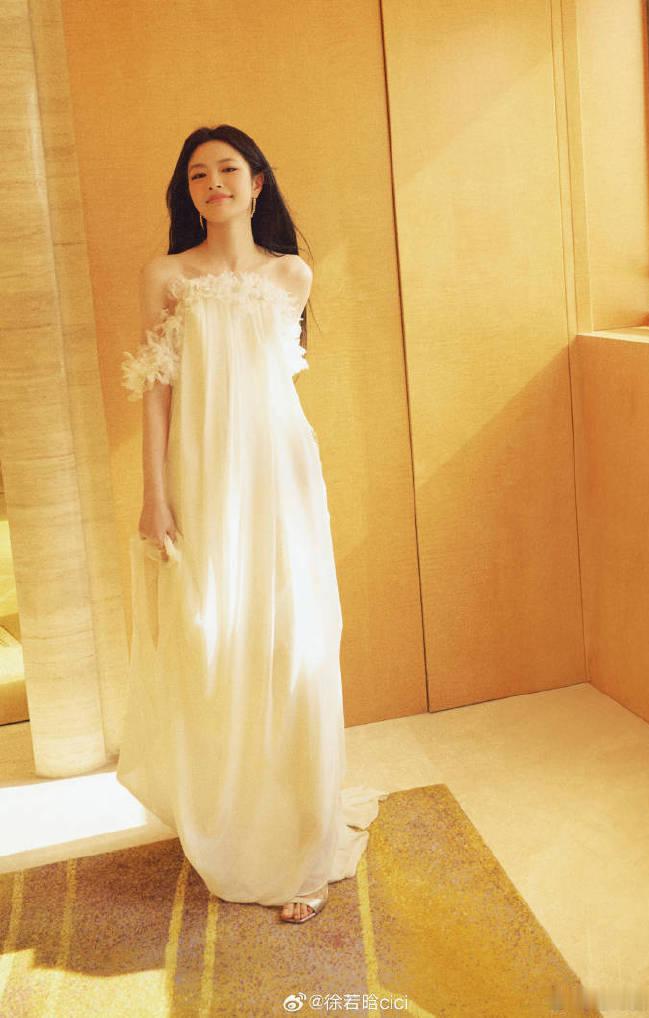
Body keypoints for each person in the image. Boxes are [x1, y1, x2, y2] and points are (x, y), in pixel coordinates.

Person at [116, 124, 387, 925]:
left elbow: (270, 384)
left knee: (293, 645)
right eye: (198, 174)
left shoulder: (292, 274)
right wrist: (155, 493)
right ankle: (233, 822)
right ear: (187, 190)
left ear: (257, 181)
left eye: (228, 169)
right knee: (210, 641)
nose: (214, 184)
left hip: (281, 477)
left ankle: (302, 845)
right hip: (201, 479)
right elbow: (157, 390)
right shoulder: (167, 276)